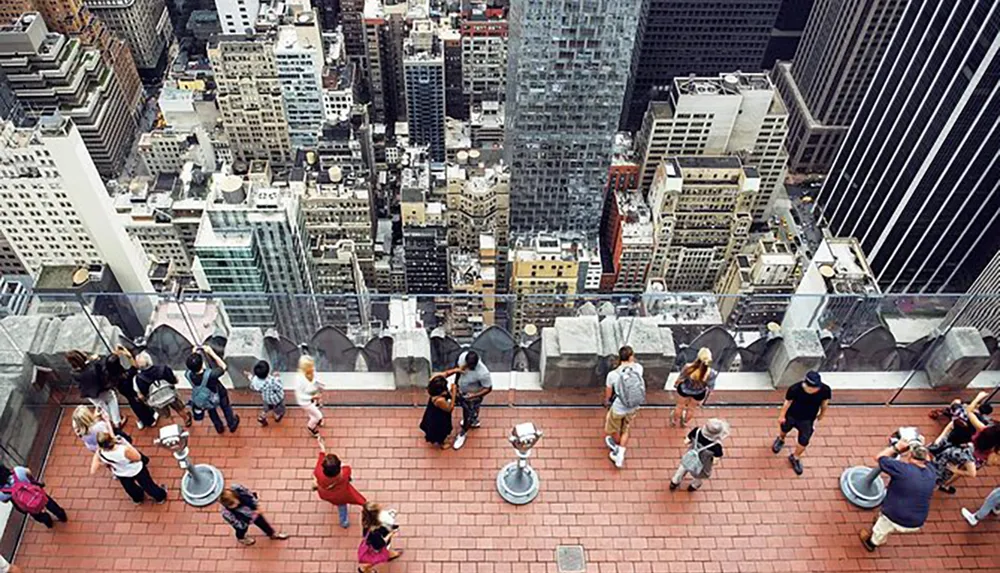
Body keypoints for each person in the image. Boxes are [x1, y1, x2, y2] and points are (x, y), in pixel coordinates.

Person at [859, 440, 936, 551]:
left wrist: (896, 448)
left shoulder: (902, 469)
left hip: (895, 515)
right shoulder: (931, 472)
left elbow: (879, 458)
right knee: (888, 522)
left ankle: (871, 543)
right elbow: (928, 460)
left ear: (910, 456)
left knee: (880, 530)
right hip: (917, 521)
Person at [771, 370, 831, 475]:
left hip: (808, 419)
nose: (816, 389)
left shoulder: (825, 390)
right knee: (785, 428)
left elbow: (824, 403)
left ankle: (795, 457)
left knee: (804, 440)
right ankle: (781, 439)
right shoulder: (795, 389)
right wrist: (782, 415)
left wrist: (822, 414)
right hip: (792, 415)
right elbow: (787, 402)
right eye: (814, 387)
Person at [90, 432, 167, 504]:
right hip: (136, 469)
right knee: (148, 485)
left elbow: (93, 470)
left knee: (130, 488)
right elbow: (138, 457)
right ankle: (160, 497)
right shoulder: (122, 448)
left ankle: (138, 498)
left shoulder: (100, 453)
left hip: (121, 473)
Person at [440, 350, 492, 450]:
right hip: (460, 391)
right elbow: (458, 372)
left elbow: (488, 388)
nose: (467, 368)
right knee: (467, 412)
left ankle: (463, 433)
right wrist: (455, 384)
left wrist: (473, 395)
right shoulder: (462, 358)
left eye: (471, 367)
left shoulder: (483, 373)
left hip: (472, 395)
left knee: (468, 414)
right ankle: (474, 421)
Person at [603, 346, 645, 469]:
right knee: (625, 428)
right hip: (633, 406)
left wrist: (606, 402)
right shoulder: (638, 369)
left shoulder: (613, 375)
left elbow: (609, 393)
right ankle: (621, 452)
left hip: (619, 407)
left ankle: (617, 449)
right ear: (631, 356)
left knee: (613, 428)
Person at [313, 435, 366, 528]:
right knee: (342, 505)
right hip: (341, 494)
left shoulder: (318, 472)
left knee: (341, 506)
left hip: (325, 494)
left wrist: (322, 448)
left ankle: (344, 522)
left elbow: (320, 459)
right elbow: (347, 468)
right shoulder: (345, 472)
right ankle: (344, 522)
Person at [66, 349, 127, 429]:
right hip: (102, 389)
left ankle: (111, 422)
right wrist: (96, 359)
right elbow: (102, 369)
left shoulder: (74, 373)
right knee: (111, 400)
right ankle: (117, 422)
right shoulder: (94, 365)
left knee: (102, 407)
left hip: (90, 394)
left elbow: (82, 373)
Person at [186, 346, 240, 434]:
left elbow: (193, 367)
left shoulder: (188, 374)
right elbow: (223, 366)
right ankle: (232, 424)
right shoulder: (211, 375)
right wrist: (211, 353)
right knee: (226, 407)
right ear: (202, 363)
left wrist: (194, 355)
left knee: (211, 411)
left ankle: (219, 427)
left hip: (206, 398)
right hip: (218, 393)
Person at [133, 351, 192, 427]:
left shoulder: (138, 379)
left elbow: (141, 396)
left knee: (165, 415)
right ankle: (186, 419)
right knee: (179, 408)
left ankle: (173, 424)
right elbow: (175, 381)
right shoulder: (164, 369)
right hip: (171, 395)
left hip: (157, 402)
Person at [219, 484, 290, 546]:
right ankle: (241, 538)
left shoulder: (239, 490)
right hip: (242, 520)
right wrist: (251, 518)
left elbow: (250, 495)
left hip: (252, 510)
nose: (236, 504)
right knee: (241, 530)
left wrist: (256, 506)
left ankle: (272, 534)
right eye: (232, 505)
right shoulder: (227, 513)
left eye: (235, 502)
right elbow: (239, 524)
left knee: (263, 523)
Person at [669, 418, 728, 492]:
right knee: (699, 477)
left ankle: (674, 483)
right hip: (703, 464)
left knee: (682, 469)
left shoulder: (697, 431)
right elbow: (715, 461)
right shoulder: (716, 446)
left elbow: (686, 441)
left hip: (691, 457)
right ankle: (693, 486)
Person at [0, 465, 67, 529]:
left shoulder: (1, 493)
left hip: (27, 504)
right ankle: (61, 515)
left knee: (37, 515)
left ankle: (47, 521)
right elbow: (29, 473)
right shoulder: (18, 471)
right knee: (49, 503)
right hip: (35, 493)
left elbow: (5, 500)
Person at [106, 345, 157, 430]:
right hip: (133, 391)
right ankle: (150, 421)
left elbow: (111, 363)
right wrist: (128, 355)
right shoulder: (126, 376)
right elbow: (134, 366)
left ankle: (142, 419)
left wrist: (117, 352)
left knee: (134, 405)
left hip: (127, 394)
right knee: (141, 405)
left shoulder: (110, 375)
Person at [672, 348, 717, 427]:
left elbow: (681, 378)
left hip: (684, 390)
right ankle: (685, 422)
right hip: (699, 393)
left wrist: (676, 385)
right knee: (691, 409)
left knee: (679, 406)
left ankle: (674, 421)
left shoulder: (688, 367)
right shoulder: (711, 373)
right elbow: (710, 387)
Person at [358, 502, 403, 572]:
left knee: (383, 552)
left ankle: (390, 554)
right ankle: (364, 569)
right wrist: (391, 533)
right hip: (376, 545)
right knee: (376, 558)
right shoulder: (374, 533)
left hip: (372, 542)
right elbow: (380, 545)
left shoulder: (366, 521)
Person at [420, 375, 457, 447]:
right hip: (439, 417)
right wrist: (454, 394)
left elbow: (444, 373)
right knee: (441, 430)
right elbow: (450, 409)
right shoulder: (440, 400)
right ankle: (442, 442)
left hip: (433, 413)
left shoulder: (432, 391)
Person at [247, 360, 286, 426]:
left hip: (266, 398)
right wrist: (277, 377)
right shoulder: (272, 381)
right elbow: (279, 387)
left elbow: (252, 385)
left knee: (266, 407)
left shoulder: (255, 380)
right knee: (278, 408)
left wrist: (249, 376)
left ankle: (262, 416)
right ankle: (277, 416)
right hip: (276, 399)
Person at [295, 355, 324, 436]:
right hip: (306, 402)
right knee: (318, 415)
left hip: (312, 396)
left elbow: (316, 379)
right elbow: (300, 396)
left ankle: (314, 418)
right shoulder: (300, 380)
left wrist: (320, 385)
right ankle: (311, 427)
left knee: (313, 411)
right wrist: (313, 397)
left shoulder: (311, 371)